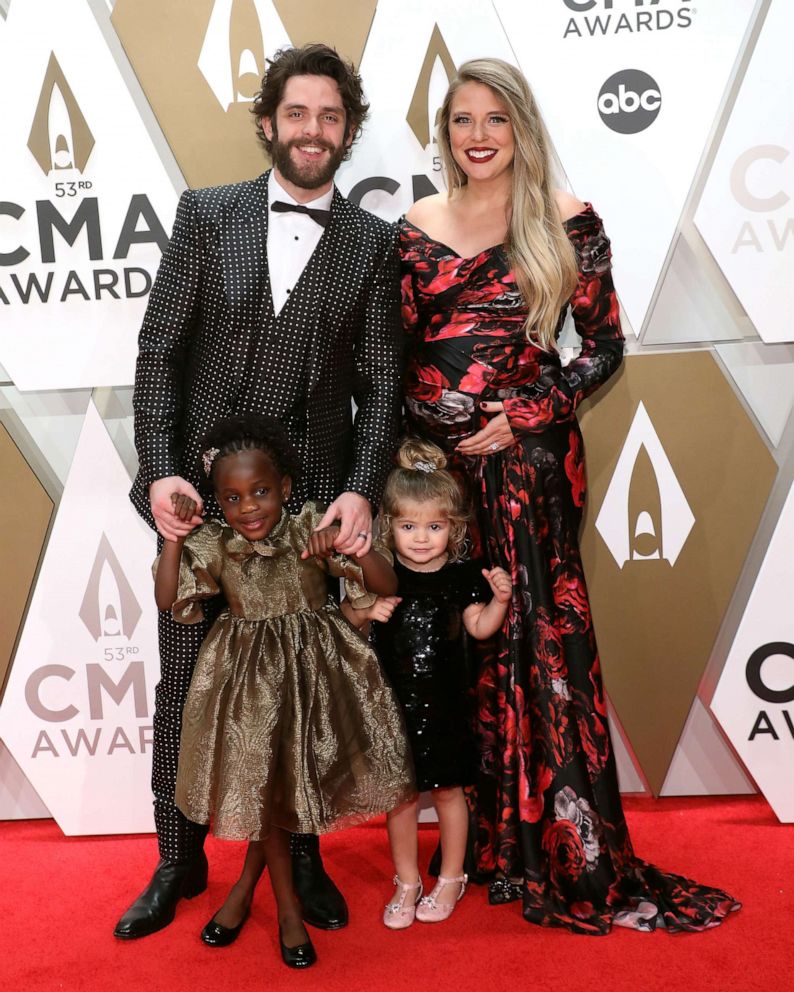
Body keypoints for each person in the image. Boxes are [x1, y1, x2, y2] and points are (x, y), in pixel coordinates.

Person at [399, 58, 740, 934]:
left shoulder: (567, 221)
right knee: (459, 652)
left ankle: (561, 842)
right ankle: (481, 845)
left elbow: (603, 348)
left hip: (531, 468)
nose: (478, 136)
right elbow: (394, 354)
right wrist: (423, 425)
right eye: (462, 120)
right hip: (439, 483)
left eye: (495, 120)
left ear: (522, 129)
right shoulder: (413, 226)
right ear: (446, 134)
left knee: (539, 643)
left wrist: (524, 413)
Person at [116, 43, 402, 940]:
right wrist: (161, 465)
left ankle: (303, 859)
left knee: (301, 691)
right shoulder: (207, 214)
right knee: (182, 684)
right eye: (297, 113)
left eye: (330, 116)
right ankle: (177, 855)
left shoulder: (374, 242)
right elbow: (159, 354)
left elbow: (385, 384)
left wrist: (359, 491)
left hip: (309, 505)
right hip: (201, 505)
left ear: (347, 130)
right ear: (269, 121)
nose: (311, 130)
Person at [153, 414, 413, 967]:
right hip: (246, 682)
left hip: (314, 679)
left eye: (261, 492)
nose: (248, 507)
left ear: (287, 489)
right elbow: (168, 599)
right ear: (218, 503)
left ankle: (245, 890)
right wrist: (172, 538)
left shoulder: (308, 529)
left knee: (278, 793)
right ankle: (289, 911)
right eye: (232, 498)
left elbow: (386, 583)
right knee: (264, 791)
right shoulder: (216, 544)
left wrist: (350, 544)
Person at [344, 438, 511, 929]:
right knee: (401, 797)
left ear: (454, 528)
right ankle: (407, 880)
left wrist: (499, 600)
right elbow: (345, 625)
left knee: (448, 794)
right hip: (392, 709)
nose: (421, 538)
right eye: (408, 526)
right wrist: (366, 610)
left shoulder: (462, 578)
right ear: (387, 526)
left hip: (447, 709)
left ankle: (453, 875)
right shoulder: (384, 576)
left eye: (434, 526)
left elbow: (480, 627)